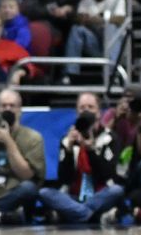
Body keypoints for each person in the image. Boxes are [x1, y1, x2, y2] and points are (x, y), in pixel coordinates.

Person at [40, 92, 125, 225]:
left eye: (90, 107)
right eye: (82, 107)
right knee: (45, 192)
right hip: (73, 196)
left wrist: (91, 150)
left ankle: (74, 214)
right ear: (76, 112)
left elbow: (107, 174)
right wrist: (68, 150)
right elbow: (64, 178)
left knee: (117, 190)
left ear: (99, 113)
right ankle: (91, 216)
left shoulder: (110, 138)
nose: (86, 111)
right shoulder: (67, 139)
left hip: (99, 195)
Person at [0, 90, 44, 225]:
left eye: (12, 105)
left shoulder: (33, 138)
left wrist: (8, 141)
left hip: (11, 194)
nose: (7, 109)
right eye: (3, 106)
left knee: (29, 188)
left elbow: (26, 175)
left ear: (19, 110)